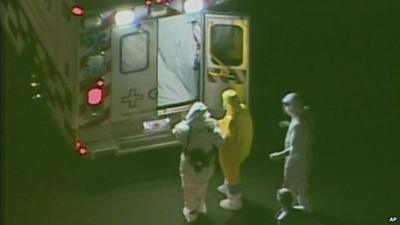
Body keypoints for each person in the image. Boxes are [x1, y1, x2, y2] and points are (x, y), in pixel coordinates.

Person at [172, 102, 224, 223]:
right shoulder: (211, 127)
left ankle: (191, 211)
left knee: (189, 187)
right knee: (202, 185)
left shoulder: (185, 129)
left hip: (189, 162)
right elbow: (221, 142)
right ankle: (200, 206)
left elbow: (176, 133)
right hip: (207, 162)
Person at [269, 93, 313, 212]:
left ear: (294, 106)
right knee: (300, 183)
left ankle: (294, 207)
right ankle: (302, 205)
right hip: (301, 159)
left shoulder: (299, 125)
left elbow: (294, 148)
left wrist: (278, 155)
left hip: (296, 160)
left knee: (291, 183)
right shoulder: (299, 118)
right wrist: (288, 125)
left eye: (287, 105)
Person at [217, 89, 253, 210]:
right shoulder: (243, 110)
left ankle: (234, 200)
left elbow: (227, 137)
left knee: (231, 173)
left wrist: (216, 129)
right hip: (243, 147)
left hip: (231, 151)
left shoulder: (232, 119)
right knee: (230, 171)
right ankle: (226, 185)